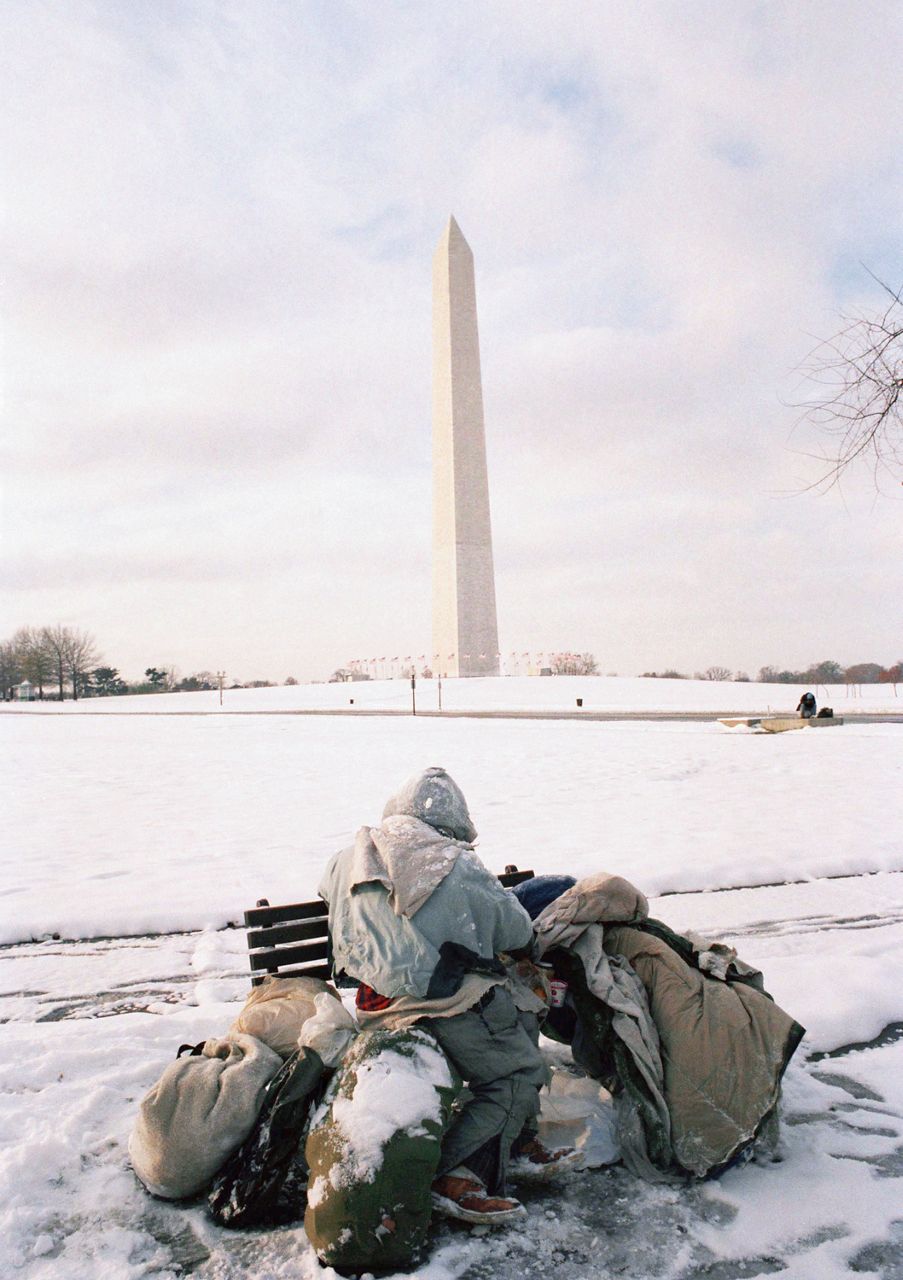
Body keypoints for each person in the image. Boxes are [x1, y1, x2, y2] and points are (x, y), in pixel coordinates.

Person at [319, 767, 573, 1226]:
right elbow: (516, 931)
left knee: (519, 1009)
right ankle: (453, 1175)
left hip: (376, 1007)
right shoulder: (453, 862)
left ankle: (513, 1138)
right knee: (516, 1075)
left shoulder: (347, 857)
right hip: (444, 1006)